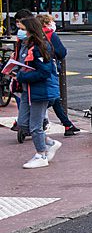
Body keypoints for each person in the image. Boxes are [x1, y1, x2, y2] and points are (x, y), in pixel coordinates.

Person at [13, 17, 62, 169]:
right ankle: (49, 143)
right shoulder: (26, 44)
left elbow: (44, 72)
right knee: (23, 123)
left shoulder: (40, 47)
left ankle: (41, 154)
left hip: (40, 90)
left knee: (35, 125)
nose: (20, 31)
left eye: (22, 28)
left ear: (30, 29)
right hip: (29, 89)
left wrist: (22, 76)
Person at [36, 14, 80, 136]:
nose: (53, 23)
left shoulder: (34, 35)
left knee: (54, 99)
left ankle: (67, 125)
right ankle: (24, 122)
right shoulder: (50, 34)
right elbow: (61, 52)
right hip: (50, 69)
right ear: (45, 23)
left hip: (36, 69)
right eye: (51, 21)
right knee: (52, 98)